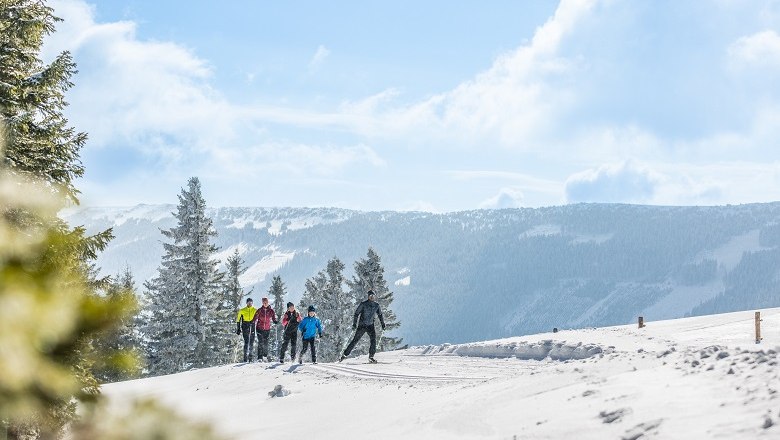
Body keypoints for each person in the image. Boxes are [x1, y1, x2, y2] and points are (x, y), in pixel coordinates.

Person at [340, 290, 385, 363]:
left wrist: (383, 324)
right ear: (368, 296)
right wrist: (354, 324)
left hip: (370, 325)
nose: (372, 297)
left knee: (373, 340)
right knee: (355, 341)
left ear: (375, 296)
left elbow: (380, 315)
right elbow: (356, 313)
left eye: (373, 296)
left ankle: (371, 357)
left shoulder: (376, 305)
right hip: (362, 326)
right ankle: (344, 355)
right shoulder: (363, 304)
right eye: (370, 296)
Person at [252, 297, 278, 362]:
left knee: (266, 343)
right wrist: (252, 321)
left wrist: (275, 321)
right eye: (264, 302)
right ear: (262, 303)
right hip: (259, 328)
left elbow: (273, 318)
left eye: (266, 302)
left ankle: (265, 356)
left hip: (267, 329)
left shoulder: (271, 311)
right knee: (260, 342)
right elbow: (255, 317)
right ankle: (259, 358)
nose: (265, 303)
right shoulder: (259, 310)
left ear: (268, 302)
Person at [235, 297, 257, 362]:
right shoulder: (242, 310)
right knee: (246, 342)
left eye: (251, 302)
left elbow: (260, 315)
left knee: (251, 342)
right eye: (248, 302)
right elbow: (238, 320)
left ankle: (250, 358)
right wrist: (238, 328)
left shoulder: (255, 310)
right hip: (245, 325)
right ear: (246, 303)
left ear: (252, 303)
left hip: (252, 325)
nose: (249, 303)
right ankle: (245, 358)